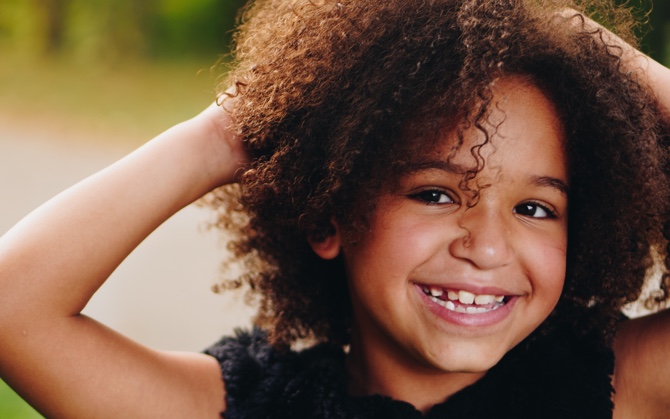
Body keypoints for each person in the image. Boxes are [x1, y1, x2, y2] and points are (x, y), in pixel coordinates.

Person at [1, 0, 669, 417]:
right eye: (435, 193)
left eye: (535, 207)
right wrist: (236, 129)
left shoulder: (617, 388)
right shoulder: (241, 408)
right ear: (329, 215)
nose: (488, 247)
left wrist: (583, 39)